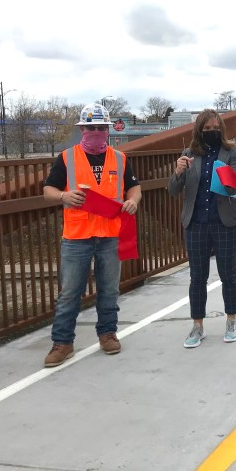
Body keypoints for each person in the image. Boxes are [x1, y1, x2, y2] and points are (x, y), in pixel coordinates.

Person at [42, 103, 142, 367]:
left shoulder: (120, 159)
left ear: (108, 130)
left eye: (101, 128)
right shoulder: (67, 157)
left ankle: (107, 334)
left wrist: (133, 201)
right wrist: (63, 195)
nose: (96, 132)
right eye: (91, 127)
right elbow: (48, 190)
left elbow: (134, 188)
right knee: (69, 292)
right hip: (77, 235)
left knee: (109, 289)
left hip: (110, 234)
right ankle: (62, 342)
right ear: (82, 129)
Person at [168, 109, 236, 348]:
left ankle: (231, 320)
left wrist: (224, 176)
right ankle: (197, 325)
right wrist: (179, 171)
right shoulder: (189, 154)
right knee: (197, 277)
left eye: (216, 128)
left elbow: (234, 189)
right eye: (207, 129)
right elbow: (172, 190)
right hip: (196, 223)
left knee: (227, 273)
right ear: (199, 130)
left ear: (221, 129)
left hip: (225, 222)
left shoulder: (233, 152)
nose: (212, 132)